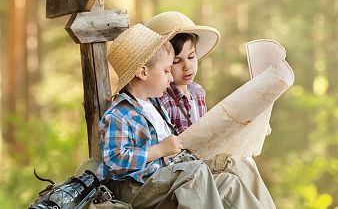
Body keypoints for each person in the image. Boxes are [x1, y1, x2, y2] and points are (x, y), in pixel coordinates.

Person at [97, 23, 266, 209]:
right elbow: (114, 161)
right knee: (196, 172)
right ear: (143, 72)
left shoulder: (154, 104)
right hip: (137, 186)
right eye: (166, 71)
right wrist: (160, 150)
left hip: (165, 176)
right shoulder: (119, 114)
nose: (170, 79)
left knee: (229, 184)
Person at [146, 11, 277, 209]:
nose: (187, 66)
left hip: (203, 159)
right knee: (233, 172)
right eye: (176, 61)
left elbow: (208, 132)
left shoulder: (197, 92)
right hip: (185, 168)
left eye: (191, 57)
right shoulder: (161, 97)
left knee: (243, 162)